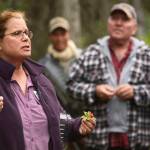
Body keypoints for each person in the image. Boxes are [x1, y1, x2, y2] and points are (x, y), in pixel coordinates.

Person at [0, 10, 95, 150]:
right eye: (16, 33)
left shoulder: (41, 80)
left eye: (26, 33)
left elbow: (60, 120)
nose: (25, 38)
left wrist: (77, 126)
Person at [67, 3, 150, 150]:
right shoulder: (91, 53)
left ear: (134, 27)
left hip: (139, 139)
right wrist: (94, 91)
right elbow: (71, 85)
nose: (118, 23)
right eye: (114, 18)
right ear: (108, 23)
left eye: (125, 19)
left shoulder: (146, 55)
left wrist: (136, 92)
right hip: (99, 139)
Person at [39, 17, 82, 116]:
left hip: (86, 116)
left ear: (68, 34)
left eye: (63, 34)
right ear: (50, 36)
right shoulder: (43, 66)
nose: (59, 39)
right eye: (55, 34)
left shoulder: (82, 57)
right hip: (62, 119)